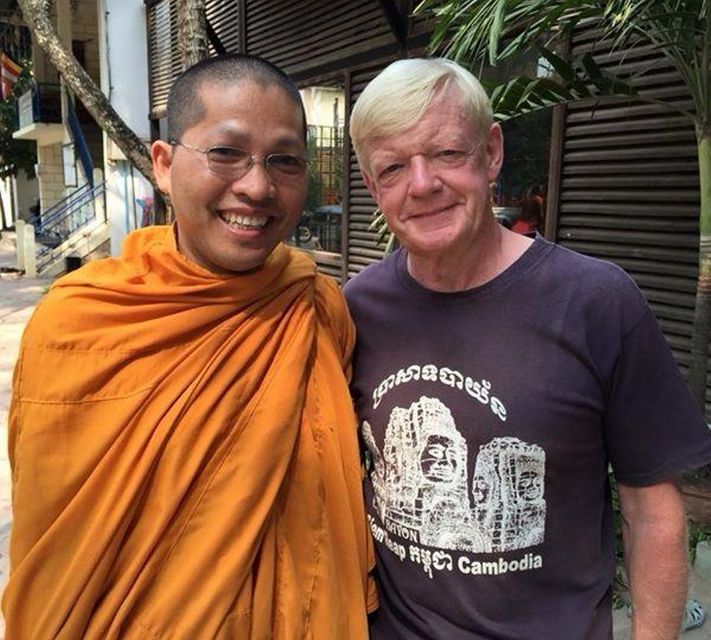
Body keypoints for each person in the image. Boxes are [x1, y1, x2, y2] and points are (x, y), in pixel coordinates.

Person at [3, 54, 375, 639]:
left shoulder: (315, 306)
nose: (257, 186)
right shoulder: (80, 322)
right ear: (163, 164)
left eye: (285, 161)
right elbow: (57, 548)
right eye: (226, 153)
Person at [344, 57, 711, 639]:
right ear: (372, 185)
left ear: (491, 153)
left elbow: (651, 510)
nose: (422, 184)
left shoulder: (596, 302)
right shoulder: (355, 309)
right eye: (393, 167)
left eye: (446, 153)